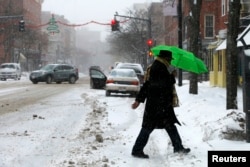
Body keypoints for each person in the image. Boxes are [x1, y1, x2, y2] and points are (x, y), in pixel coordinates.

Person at [131, 50, 190, 159]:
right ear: (165, 58)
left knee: (169, 125)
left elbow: (147, 85)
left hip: (159, 104)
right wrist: (171, 76)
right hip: (158, 104)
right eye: (169, 59)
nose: (170, 61)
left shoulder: (157, 66)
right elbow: (160, 85)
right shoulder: (159, 68)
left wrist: (139, 100)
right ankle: (137, 150)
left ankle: (178, 146)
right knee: (149, 127)